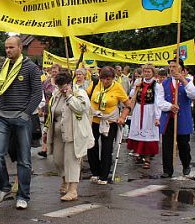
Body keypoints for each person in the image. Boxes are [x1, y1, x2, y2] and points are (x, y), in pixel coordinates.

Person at [0, 36, 42, 209]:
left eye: (11, 47)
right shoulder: (0, 67)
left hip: (21, 118)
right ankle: (4, 187)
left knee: (24, 159)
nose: (8, 50)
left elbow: (37, 94)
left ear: (20, 47)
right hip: (2, 116)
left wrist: (25, 113)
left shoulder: (31, 67)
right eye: (6, 48)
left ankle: (23, 195)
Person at [44, 71, 94, 201]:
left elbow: (81, 108)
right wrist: (46, 128)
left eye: (62, 86)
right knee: (58, 160)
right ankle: (65, 180)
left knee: (72, 161)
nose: (60, 89)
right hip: (58, 133)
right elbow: (52, 112)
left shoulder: (79, 93)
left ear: (69, 83)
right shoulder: (56, 95)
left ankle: (73, 190)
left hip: (74, 133)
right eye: (58, 86)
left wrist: (69, 96)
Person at [87, 66, 132, 184]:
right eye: (103, 79)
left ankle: (104, 175)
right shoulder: (95, 83)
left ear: (113, 78)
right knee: (91, 146)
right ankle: (95, 172)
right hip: (94, 120)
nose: (105, 82)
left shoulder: (117, 87)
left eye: (108, 79)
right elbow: (85, 96)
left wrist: (122, 117)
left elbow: (128, 105)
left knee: (106, 148)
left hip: (109, 121)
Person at [158, 59, 195, 178]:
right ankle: (167, 170)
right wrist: (170, 106)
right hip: (168, 118)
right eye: (170, 66)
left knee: (183, 144)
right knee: (167, 145)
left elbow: (194, 95)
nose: (171, 68)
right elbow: (159, 102)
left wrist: (183, 81)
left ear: (181, 68)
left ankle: (186, 164)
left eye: (174, 66)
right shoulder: (163, 84)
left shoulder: (188, 81)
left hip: (183, 118)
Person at [126, 64, 162, 169]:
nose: (146, 74)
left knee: (148, 132)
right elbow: (132, 95)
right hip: (138, 110)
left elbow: (157, 101)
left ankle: (147, 158)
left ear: (153, 73)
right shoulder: (139, 83)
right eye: (145, 72)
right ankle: (139, 153)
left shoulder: (156, 86)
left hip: (149, 110)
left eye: (148, 72)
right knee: (138, 130)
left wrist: (157, 117)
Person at [38, 64, 61, 158]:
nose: (54, 73)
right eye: (52, 71)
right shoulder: (46, 82)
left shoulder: (61, 82)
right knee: (46, 130)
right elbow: (42, 95)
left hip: (58, 110)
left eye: (56, 71)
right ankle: (44, 149)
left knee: (56, 131)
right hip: (48, 109)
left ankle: (56, 149)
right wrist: (41, 108)